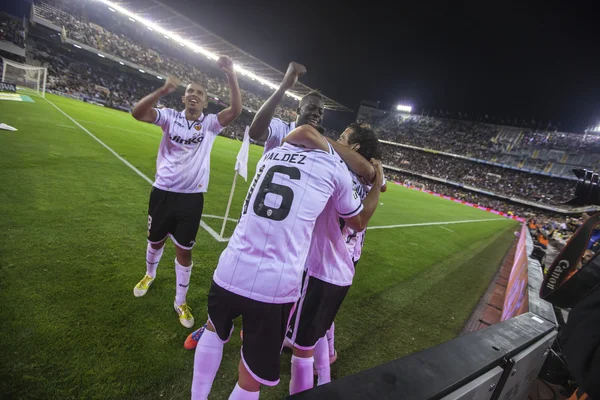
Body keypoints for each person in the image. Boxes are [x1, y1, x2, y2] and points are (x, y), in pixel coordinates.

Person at [190, 124, 376, 399]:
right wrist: (374, 174)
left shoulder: (271, 155)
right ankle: (322, 377)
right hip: (278, 283)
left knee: (213, 330)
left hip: (232, 264)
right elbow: (359, 220)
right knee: (253, 373)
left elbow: (301, 132)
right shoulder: (335, 169)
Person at [130, 56, 242, 328]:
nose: (194, 95)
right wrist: (162, 90)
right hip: (162, 193)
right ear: (184, 98)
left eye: (200, 94)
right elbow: (137, 112)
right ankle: (149, 274)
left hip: (191, 199)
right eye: (190, 91)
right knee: (155, 241)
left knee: (184, 251)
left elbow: (236, 110)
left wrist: (230, 73)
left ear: (205, 102)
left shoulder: (211, 124)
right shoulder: (169, 117)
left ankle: (180, 301)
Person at [285, 123, 385, 394]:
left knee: (301, 351)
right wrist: (376, 175)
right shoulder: (367, 180)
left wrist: (325, 140)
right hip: (344, 269)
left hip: (321, 267)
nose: (336, 141)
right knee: (318, 328)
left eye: (343, 138)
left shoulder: (340, 172)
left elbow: (359, 221)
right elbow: (379, 185)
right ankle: (326, 377)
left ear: (353, 148)